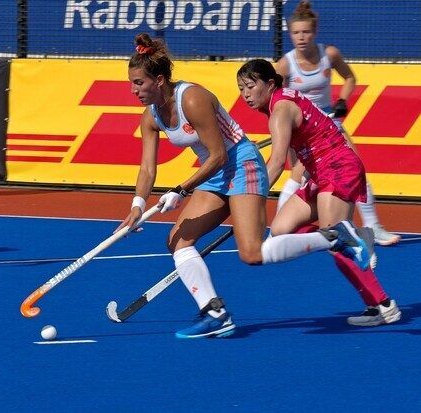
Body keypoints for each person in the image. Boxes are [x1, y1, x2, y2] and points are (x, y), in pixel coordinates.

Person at [121, 33, 391, 339]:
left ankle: (334, 239)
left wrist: (181, 191)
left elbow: (220, 154)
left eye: (138, 83)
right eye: (131, 83)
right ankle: (215, 312)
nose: (134, 90)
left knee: (252, 254)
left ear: (158, 80)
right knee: (178, 241)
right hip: (215, 174)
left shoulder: (192, 98)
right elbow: (147, 167)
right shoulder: (151, 116)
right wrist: (137, 206)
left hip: (241, 164)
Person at [237, 58, 400, 327]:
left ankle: (382, 305)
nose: (245, 95)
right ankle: (351, 237)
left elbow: (277, 162)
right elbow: (293, 157)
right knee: (281, 229)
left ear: (269, 83)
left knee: (337, 242)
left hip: (337, 167)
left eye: (250, 87)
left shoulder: (279, 111)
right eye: (241, 89)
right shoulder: (279, 104)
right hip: (319, 172)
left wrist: (252, 195)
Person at [275, 0, 400, 246]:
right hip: (301, 130)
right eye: (296, 33)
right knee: (299, 175)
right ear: (290, 34)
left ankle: (373, 227)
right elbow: (277, 98)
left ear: (315, 32)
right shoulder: (285, 64)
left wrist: (342, 98)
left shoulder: (328, 54)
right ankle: (280, 229)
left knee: (356, 168)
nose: (301, 37)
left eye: (306, 32)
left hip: (329, 125)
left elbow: (350, 77)